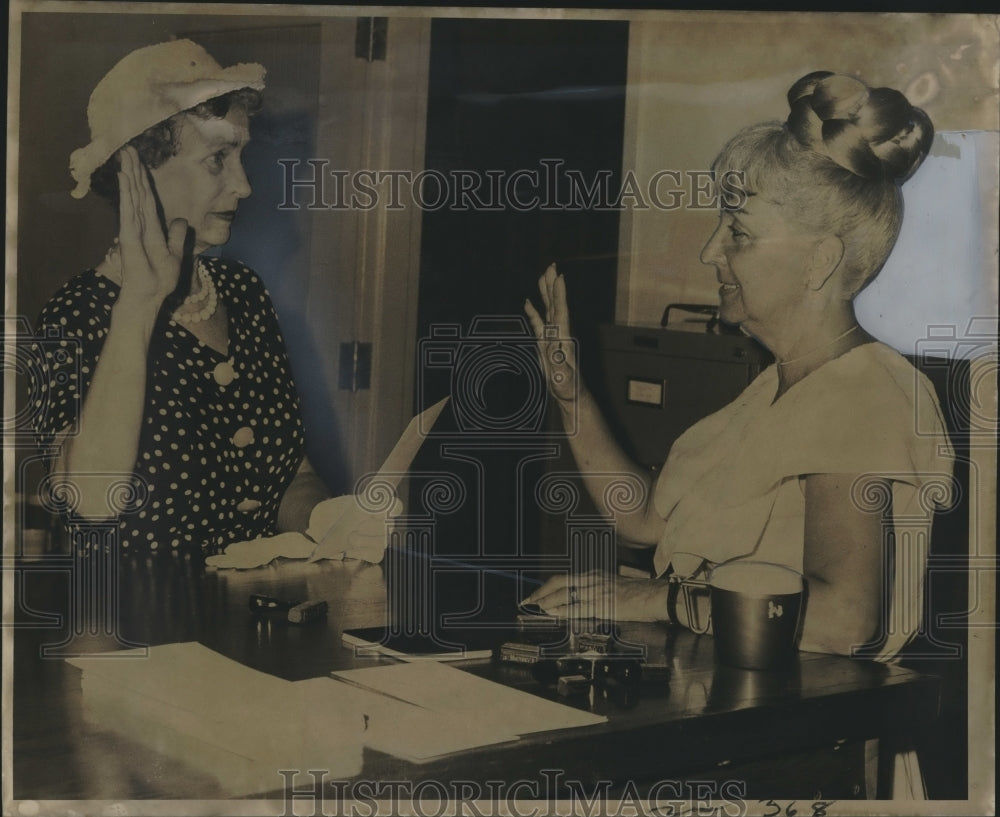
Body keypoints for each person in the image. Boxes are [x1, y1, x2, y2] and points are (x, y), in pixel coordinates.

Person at [524, 71, 955, 660]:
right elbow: (647, 520)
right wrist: (571, 395)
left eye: (739, 232)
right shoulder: (774, 389)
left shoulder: (863, 394)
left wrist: (661, 600)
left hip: (814, 732)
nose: (709, 251)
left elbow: (841, 620)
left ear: (818, 262)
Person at [29, 39, 330, 557]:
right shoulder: (78, 313)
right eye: (218, 158)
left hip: (247, 622)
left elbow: (291, 474)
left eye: (241, 157)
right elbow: (90, 505)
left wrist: (330, 518)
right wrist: (140, 304)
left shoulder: (243, 293)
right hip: (137, 627)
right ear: (137, 172)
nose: (244, 186)